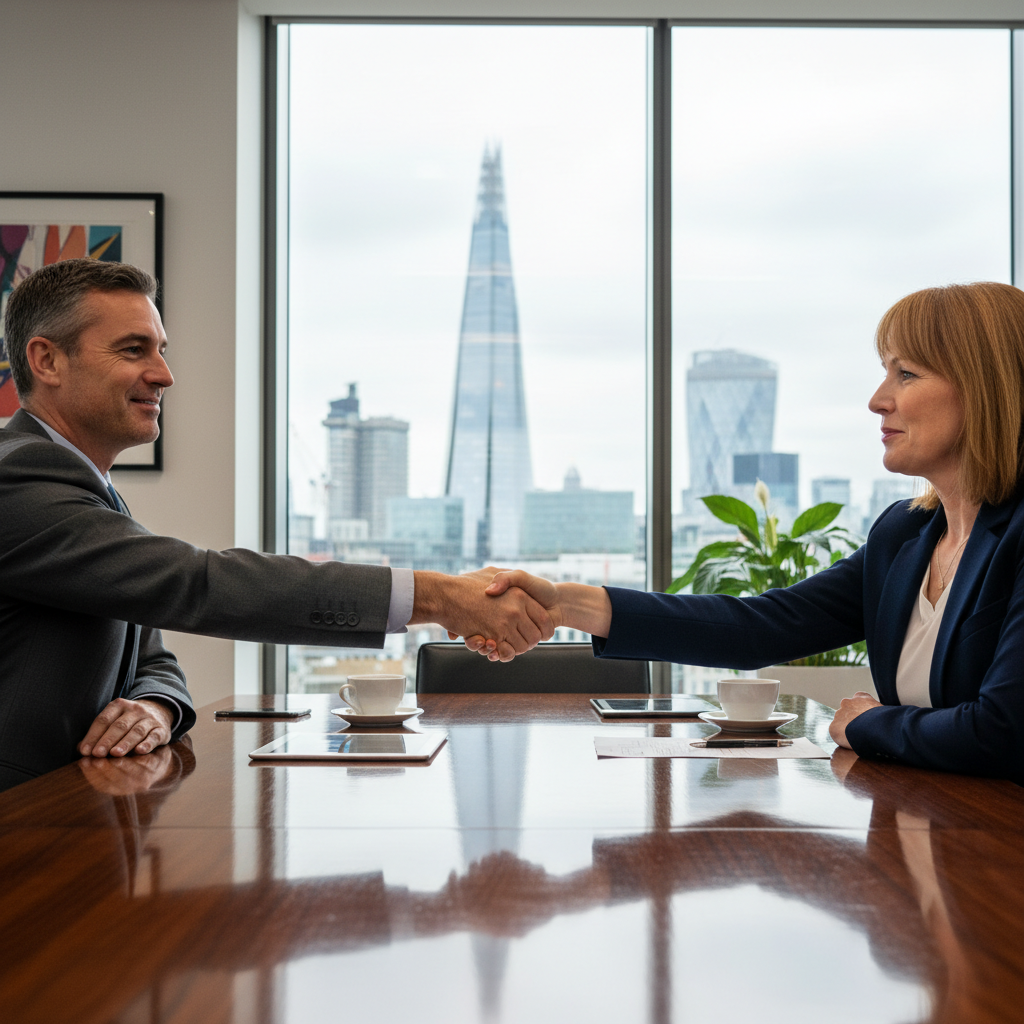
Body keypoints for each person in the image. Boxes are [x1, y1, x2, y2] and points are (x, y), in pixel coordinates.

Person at [0, 258, 552, 791]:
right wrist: (437, 595)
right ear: (47, 361)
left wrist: (155, 706)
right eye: (133, 350)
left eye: (161, 350)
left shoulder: (82, 488)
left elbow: (153, 658)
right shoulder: (18, 482)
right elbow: (198, 584)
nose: (164, 374)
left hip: (70, 822)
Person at [473, 282, 1024, 785]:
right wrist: (565, 603)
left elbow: (1002, 732)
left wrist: (872, 724)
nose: (878, 399)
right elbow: (759, 627)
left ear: (986, 388)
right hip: (931, 835)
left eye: (906, 374)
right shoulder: (905, 535)